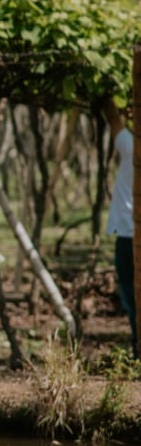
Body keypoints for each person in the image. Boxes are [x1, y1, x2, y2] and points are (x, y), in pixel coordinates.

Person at [102, 95, 137, 358]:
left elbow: (112, 118)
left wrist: (105, 90)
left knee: (130, 292)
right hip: (129, 231)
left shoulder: (131, 146)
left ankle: (138, 346)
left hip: (128, 234)